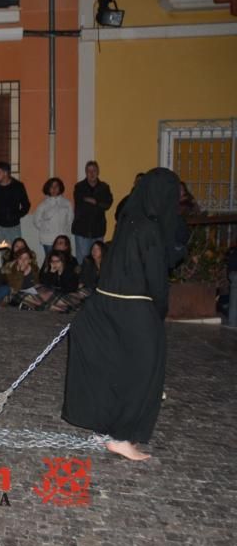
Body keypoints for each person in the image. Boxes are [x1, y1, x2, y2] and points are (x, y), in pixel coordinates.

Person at [63, 168, 184, 461]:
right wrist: (158, 311)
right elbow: (157, 278)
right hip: (136, 309)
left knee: (111, 367)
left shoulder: (127, 222)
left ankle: (104, 428)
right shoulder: (150, 229)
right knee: (142, 373)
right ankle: (121, 436)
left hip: (106, 305)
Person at [71, 160, 113, 266]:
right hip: (82, 229)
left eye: (94, 170)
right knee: (83, 259)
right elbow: (81, 203)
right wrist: (98, 203)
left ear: (98, 172)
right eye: (89, 171)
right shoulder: (79, 187)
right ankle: (82, 281)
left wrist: (95, 201)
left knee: (98, 258)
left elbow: (107, 204)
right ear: (86, 172)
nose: (92, 173)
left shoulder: (104, 187)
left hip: (98, 228)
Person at [0, 161, 30, 244]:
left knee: (17, 250)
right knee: (4, 252)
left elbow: (26, 205)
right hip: (0, 226)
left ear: (6, 173)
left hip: (14, 225)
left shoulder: (18, 186)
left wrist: (17, 215)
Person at [33, 177, 73, 256]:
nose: (54, 189)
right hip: (48, 240)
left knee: (63, 261)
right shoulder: (43, 205)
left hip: (63, 239)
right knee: (50, 261)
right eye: (52, 187)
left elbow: (70, 220)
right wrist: (47, 227)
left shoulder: (67, 203)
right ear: (48, 189)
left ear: (60, 188)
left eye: (56, 186)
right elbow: (36, 221)